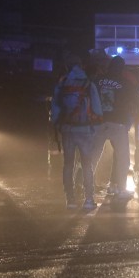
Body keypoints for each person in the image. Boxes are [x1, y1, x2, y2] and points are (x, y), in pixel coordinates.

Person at [50, 54, 103, 210]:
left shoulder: (62, 84)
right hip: (86, 130)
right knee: (87, 165)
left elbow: (55, 107)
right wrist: (96, 129)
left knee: (68, 164)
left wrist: (57, 126)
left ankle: (70, 200)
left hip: (67, 130)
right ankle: (88, 200)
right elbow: (97, 108)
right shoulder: (89, 84)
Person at [91, 55, 137, 199]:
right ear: (122, 68)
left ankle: (86, 186)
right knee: (123, 159)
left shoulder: (97, 81)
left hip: (99, 123)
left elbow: (89, 98)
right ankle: (121, 189)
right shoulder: (125, 83)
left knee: (93, 156)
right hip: (118, 124)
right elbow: (133, 101)